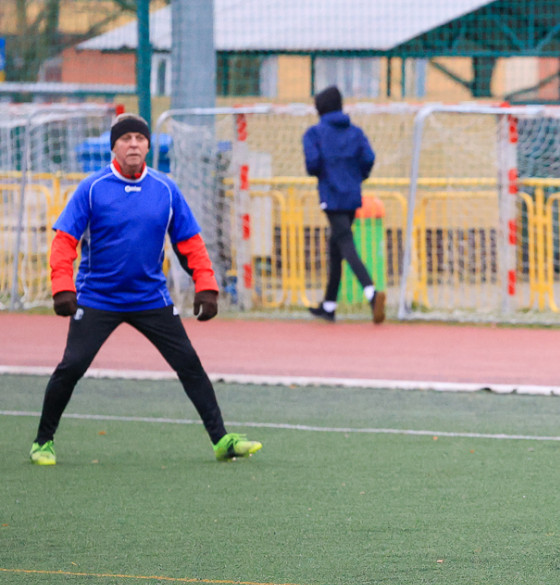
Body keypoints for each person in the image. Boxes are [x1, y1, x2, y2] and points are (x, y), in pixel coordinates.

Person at [31, 113, 263, 466]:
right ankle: (43, 442)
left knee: (189, 364)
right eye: (126, 139)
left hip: (150, 298)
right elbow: (64, 241)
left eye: (140, 138)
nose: (134, 144)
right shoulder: (92, 188)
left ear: (148, 146)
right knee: (71, 366)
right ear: (114, 147)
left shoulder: (165, 189)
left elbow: (190, 243)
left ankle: (221, 441)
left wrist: (207, 285)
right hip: (98, 298)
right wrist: (62, 287)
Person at [303, 85, 385, 324]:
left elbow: (312, 164)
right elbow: (368, 158)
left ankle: (371, 293)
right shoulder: (356, 133)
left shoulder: (314, 134)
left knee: (346, 243)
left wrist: (327, 172)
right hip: (351, 195)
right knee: (336, 246)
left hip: (331, 194)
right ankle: (329, 306)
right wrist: (357, 177)